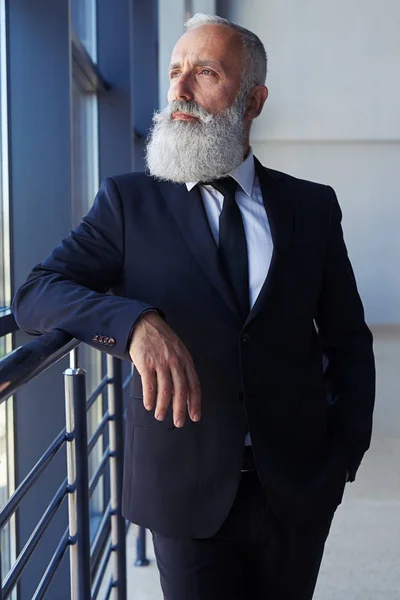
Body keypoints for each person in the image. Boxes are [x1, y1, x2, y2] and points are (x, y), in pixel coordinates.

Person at [12, 13, 375, 600]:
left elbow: (348, 340)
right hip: (182, 492)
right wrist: (133, 323)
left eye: (204, 72)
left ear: (253, 99)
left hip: (298, 487)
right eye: (175, 71)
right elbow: (36, 292)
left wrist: (342, 457)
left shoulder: (311, 207)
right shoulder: (127, 202)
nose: (179, 91)